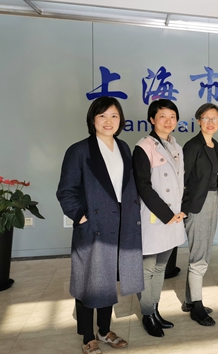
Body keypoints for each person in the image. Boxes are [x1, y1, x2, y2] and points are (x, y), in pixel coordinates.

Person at [57, 97, 143, 354]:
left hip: (120, 226)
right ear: (92, 119)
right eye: (102, 116)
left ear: (120, 119)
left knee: (107, 281)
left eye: (114, 116)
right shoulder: (79, 151)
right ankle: (87, 336)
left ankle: (104, 330)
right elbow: (66, 191)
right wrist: (80, 216)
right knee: (88, 282)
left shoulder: (123, 147)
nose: (109, 121)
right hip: (93, 226)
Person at [132, 99, 186, 337]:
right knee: (148, 268)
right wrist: (166, 214)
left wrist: (179, 212)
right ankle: (147, 314)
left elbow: (181, 183)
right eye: (162, 116)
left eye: (172, 116)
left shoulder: (176, 146)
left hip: (173, 218)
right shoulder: (144, 147)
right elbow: (143, 186)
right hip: (155, 218)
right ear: (152, 119)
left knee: (162, 266)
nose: (168, 121)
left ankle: (154, 309)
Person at [180, 103, 218, 326]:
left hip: (212, 201)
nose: (211, 122)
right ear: (198, 121)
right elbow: (182, 179)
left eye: (215, 118)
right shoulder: (192, 146)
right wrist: (184, 208)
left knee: (204, 253)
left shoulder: (215, 145)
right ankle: (197, 307)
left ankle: (190, 300)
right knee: (198, 257)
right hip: (197, 205)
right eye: (206, 118)